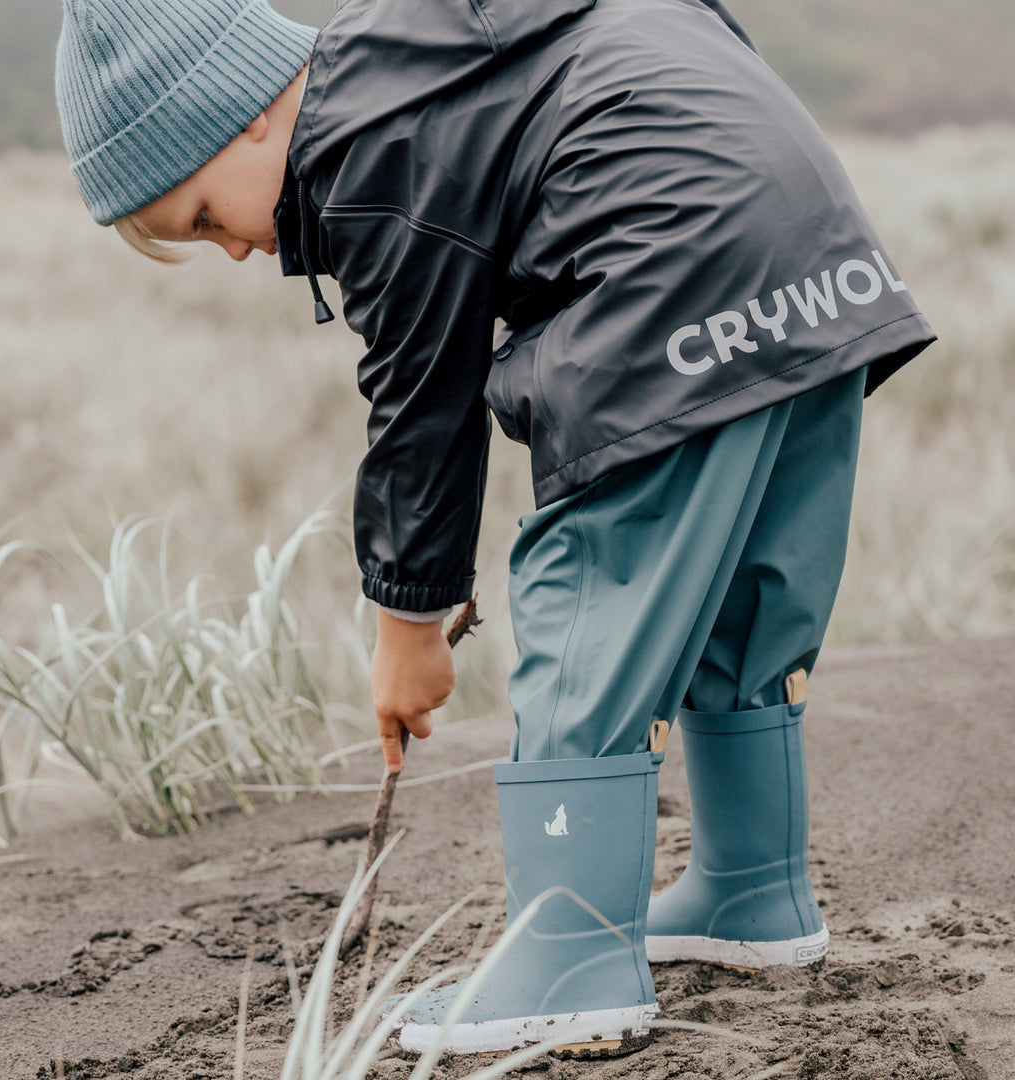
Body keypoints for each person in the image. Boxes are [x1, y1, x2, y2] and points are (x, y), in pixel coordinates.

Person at [56, 0, 936, 1057]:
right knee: (743, 594)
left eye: (202, 217)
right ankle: (753, 891)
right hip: (810, 246)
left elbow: (424, 402)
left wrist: (407, 626)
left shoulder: (357, 146)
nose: (236, 250)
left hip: (671, 258)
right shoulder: (424, 58)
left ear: (241, 117)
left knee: (594, 584)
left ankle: (569, 960)